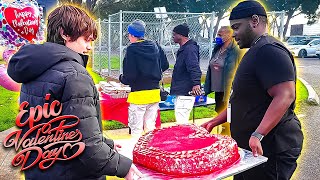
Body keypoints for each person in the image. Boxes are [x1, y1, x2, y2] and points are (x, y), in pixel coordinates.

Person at [8, 5, 142, 180]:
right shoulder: (74, 75)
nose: (89, 47)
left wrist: (106, 143)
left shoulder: (34, 68)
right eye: (86, 40)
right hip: (71, 172)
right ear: (65, 34)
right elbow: (86, 146)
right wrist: (124, 167)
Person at [201, 1, 303, 180]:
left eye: (237, 27)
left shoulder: (269, 50)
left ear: (254, 21)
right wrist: (215, 121)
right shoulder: (255, 50)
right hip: (252, 149)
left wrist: (258, 134)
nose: (234, 35)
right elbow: (241, 100)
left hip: (271, 148)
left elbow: (285, 94)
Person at [119, 19, 169, 137]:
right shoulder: (155, 45)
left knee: (136, 130)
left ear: (131, 35)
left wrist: (122, 78)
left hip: (138, 95)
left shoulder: (132, 49)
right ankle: (148, 154)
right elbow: (165, 65)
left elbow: (130, 76)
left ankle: (135, 155)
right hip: (154, 93)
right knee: (150, 129)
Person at [204, 26, 241, 113]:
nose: (217, 37)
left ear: (230, 35)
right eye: (217, 34)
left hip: (228, 90)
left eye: (220, 35)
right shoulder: (217, 48)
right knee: (218, 110)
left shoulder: (236, 51)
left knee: (228, 114)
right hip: (218, 89)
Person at [170, 23, 202, 96]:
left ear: (180, 35)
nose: (173, 37)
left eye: (174, 34)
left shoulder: (189, 49)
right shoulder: (184, 48)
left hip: (185, 89)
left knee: (183, 107)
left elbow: (194, 66)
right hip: (179, 86)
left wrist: (196, 84)